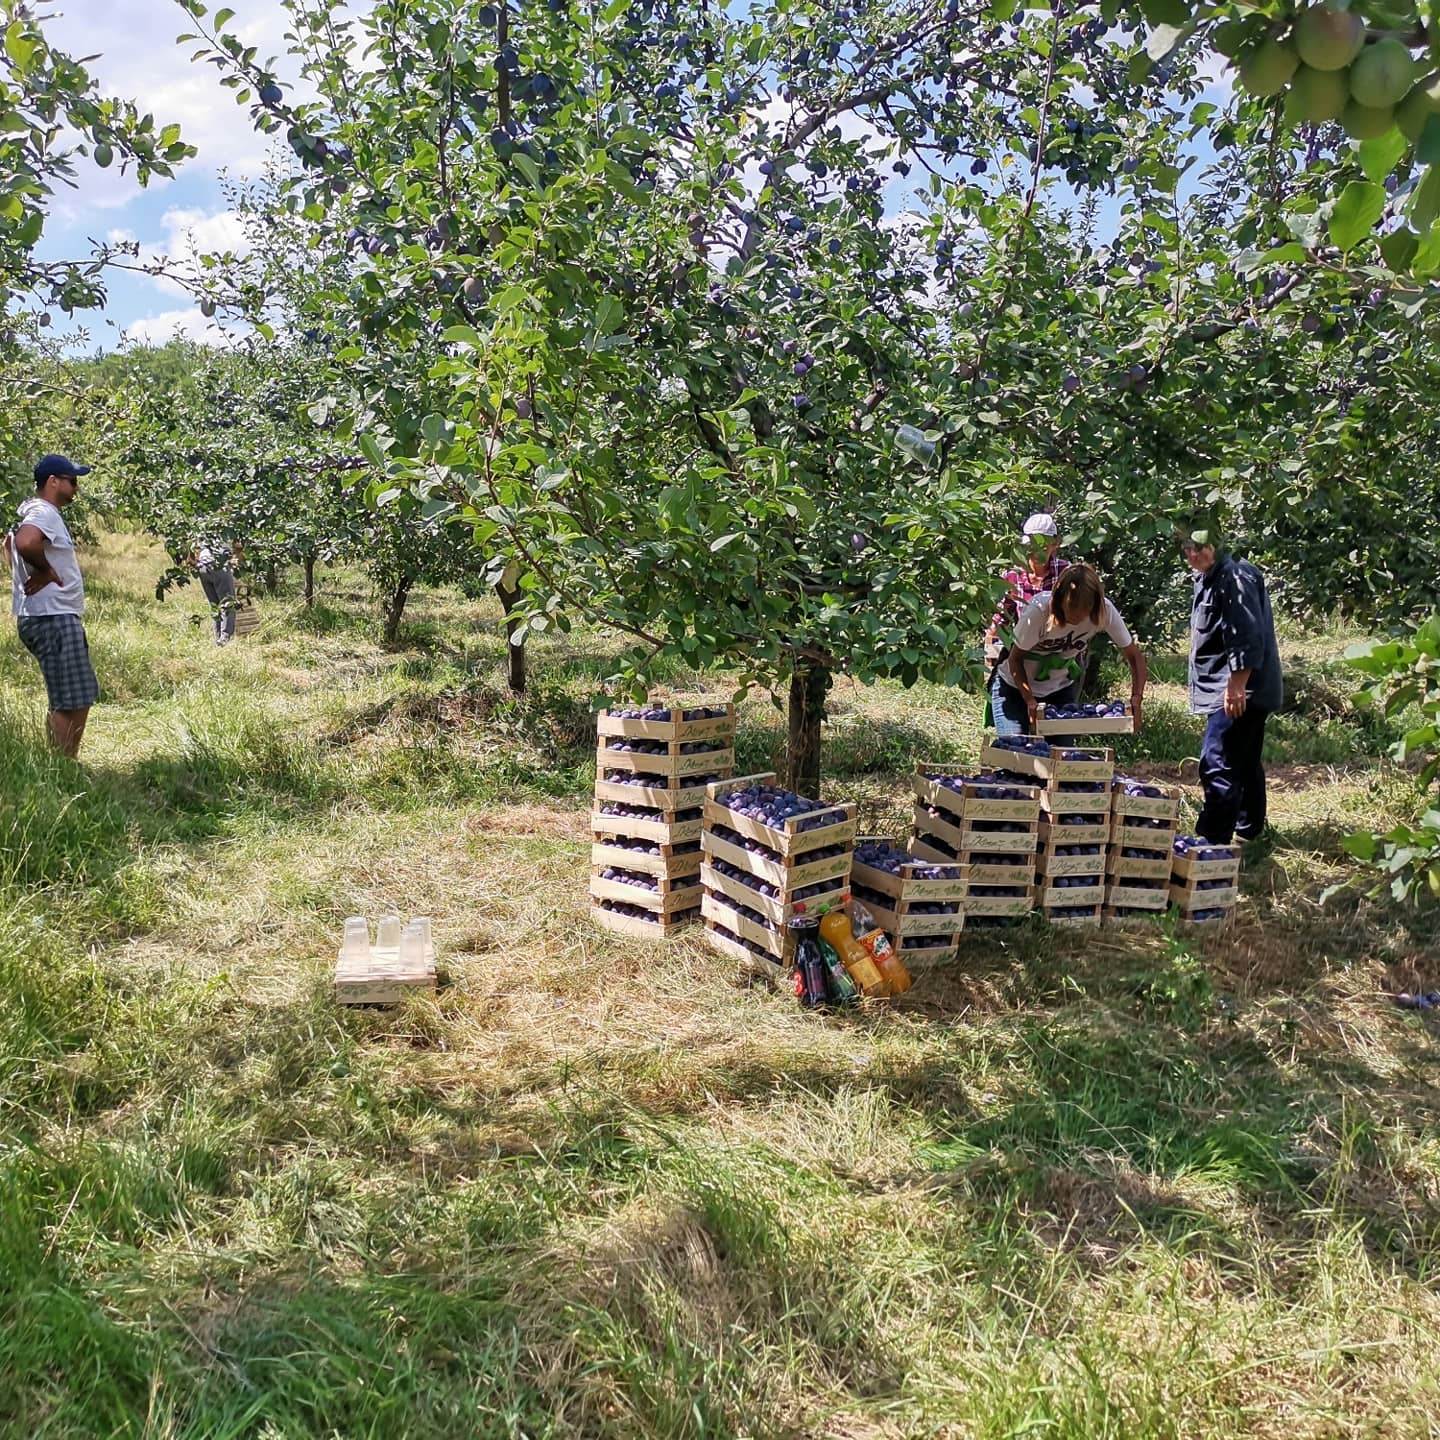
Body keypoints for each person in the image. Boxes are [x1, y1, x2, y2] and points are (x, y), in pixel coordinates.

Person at [1182, 527, 1282, 846]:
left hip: (1238, 689)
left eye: (1200, 546)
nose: (1193, 554)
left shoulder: (1235, 575)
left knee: (1218, 760)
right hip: (1233, 686)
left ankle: (1213, 840)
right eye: (1187, 547)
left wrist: (1237, 684)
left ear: (1218, 542)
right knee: (1244, 758)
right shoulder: (1210, 576)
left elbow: (1247, 634)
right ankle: (1250, 830)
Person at [4, 454, 99, 758]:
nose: (76, 488)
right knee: (70, 699)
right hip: (52, 617)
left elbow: (8, 546)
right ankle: (62, 767)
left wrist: (26, 575)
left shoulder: (30, 511)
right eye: (72, 481)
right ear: (53, 482)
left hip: (50, 615)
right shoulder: (42, 512)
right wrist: (44, 571)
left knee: (74, 695)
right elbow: (25, 543)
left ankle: (62, 763)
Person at [993, 562, 1148, 737]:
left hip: (1058, 690)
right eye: (1071, 609)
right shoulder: (1039, 611)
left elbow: (1134, 657)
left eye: (1084, 611)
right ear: (1059, 599)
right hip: (1014, 688)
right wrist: (1029, 700)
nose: (1076, 616)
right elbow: (1015, 659)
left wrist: (1136, 699)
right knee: (1014, 756)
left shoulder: (1105, 612)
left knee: (1061, 758)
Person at [986, 512, 1068, 656]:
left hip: (1060, 653)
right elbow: (1002, 618)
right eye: (1032, 545)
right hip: (1024, 652)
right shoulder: (1012, 576)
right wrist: (990, 644)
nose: (1036, 552)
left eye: (1042, 546)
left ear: (1054, 544)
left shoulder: (1066, 573)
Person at [191, 535, 243, 645]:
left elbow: (195, 548)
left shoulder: (204, 525)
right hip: (219, 564)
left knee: (214, 603)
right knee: (228, 602)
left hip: (203, 566)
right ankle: (225, 638)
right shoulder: (231, 525)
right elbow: (238, 546)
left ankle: (218, 636)